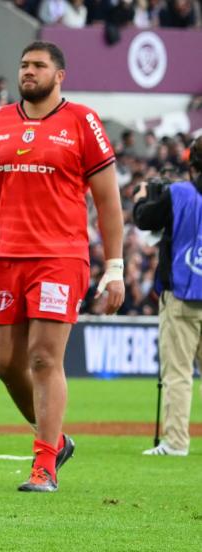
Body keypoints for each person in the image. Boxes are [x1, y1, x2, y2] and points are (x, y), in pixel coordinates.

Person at [0, 41, 125, 492]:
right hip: (9, 257)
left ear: (59, 75)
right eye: (24, 65)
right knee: (5, 363)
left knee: (43, 356)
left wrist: (114, 266)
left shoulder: (82, 121)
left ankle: (44, 466)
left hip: (61, 256)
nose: (29, 72)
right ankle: (56, 440)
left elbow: (107, 198)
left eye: (39, 66)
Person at [135, 137, 202, 456]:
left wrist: (144, 196)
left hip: (182, 294)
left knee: (177, 372)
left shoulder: (179, 194)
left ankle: (176, 441)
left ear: (192, 163)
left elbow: (144, 219)